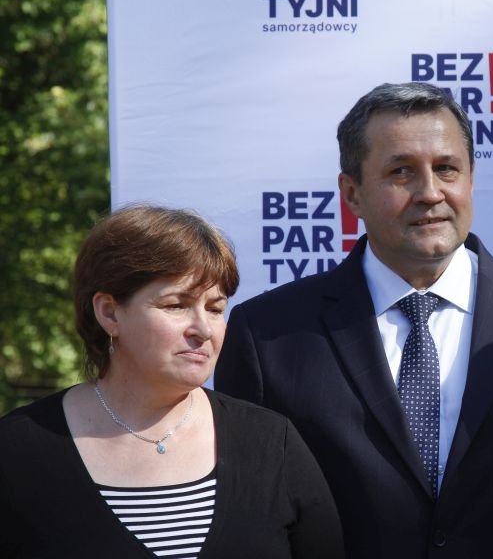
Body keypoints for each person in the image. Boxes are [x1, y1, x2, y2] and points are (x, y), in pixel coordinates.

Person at [215, 82, 493, 558]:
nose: (430, 193)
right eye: (401, 172)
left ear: (471, 179)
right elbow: (249, 525)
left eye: (446, 169)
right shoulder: (268, 336)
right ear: (351, 193)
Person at [0, 205, 343, 559]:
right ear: (109, 312)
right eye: (177, 305)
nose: (203, 329)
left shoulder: (271, 443)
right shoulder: (18, 451)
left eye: (215, 308)